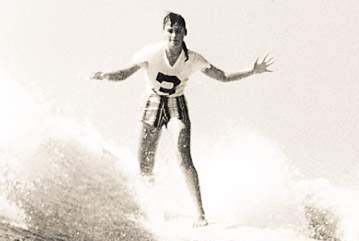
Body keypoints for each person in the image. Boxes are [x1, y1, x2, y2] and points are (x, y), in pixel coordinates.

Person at [91, 12, 273, 227]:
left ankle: (200, 215)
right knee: (144, 165)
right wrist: (104, 75)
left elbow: (222, 77)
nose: (174, 35)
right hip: (152, 102)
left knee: (183, 153)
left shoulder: (193, 59)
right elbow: (125, 73)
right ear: (164, 32)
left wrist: (252, 71)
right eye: (170, 30)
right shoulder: (151, 53)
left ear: (185, 33)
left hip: (176, 104)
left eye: (178, 31)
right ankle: (152, 208)